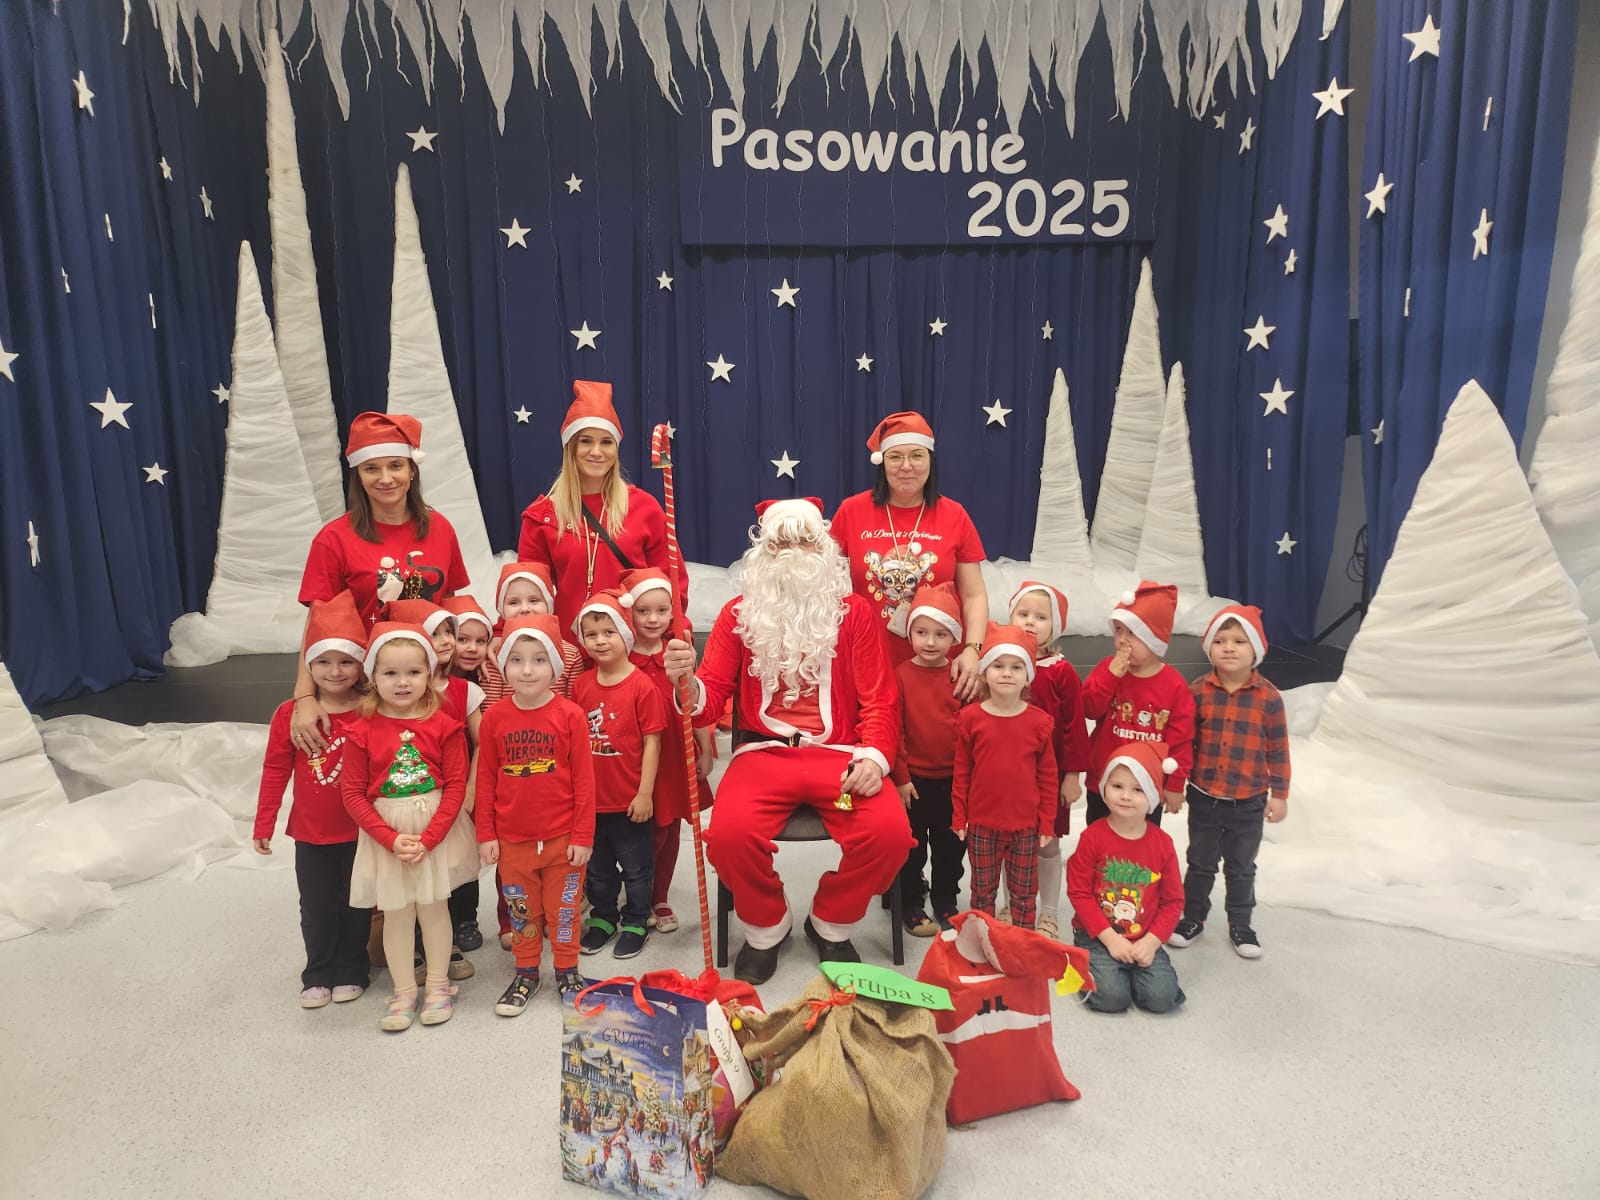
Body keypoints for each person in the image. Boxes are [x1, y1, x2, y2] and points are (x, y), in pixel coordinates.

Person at [663, 498, 911, 985]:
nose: (793, 552)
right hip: (763, 755)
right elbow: (708, 703)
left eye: (804, 541)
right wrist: (686, 683)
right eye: (781, 542)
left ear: (823, 550)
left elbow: (881, 700)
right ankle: (767, 926)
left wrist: (874, 760)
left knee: (890, 835)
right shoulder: (738, 615)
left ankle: (831, 921)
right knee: (728, 836)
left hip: (840, 756)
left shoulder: (855, 614)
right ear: (763, 553)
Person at [293, 412, 469, 757]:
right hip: (362, 690)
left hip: (427, 685)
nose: (385, 478)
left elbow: (449, 605)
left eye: (395, 466)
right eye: (371, 468)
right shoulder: (333, 539)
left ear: (412, 470)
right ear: (358, 475)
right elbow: (317, 624)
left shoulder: (441, 529)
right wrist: (304, 697)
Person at [341, 623, 475, 1032]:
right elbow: (352, 794)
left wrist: (430, 839)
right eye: (391, 673)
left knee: (434, 909)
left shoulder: (444, 725)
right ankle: (403, 991)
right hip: (387, 834)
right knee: (397, 914)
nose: (402, 682)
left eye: (413, 672)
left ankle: (437, 985)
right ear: (372, 676)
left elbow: (456, 786)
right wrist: (390, 839)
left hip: (434, 830)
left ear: (429, 674)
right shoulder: (362, 729)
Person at [252, 590, 370, 1008]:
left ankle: (353, 968)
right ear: (309, 665)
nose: (335, 672)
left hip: (362, 831)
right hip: (312, 833)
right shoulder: (291, 714)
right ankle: (318, 972)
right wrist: (263, 823)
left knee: (357, 904)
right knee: (317, 906)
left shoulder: (371, 710)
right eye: (323, 661)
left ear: (362, 663)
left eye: (346, 661)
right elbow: (275, 769)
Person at [476, 615, 595, 1011]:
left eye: (539, 660)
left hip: (563, 841)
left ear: (555, 666)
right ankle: (526, 972)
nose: (527, 670)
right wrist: (486, 834)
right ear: (503, 665)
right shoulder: (494, 718)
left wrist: (583, 836)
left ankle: (567, 970)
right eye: (517, 660)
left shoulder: (571, 716)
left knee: (564, 911)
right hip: (513, 843)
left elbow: (584, 782)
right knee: (522, 911)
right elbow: (486, 780)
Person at [829, 411, 989, 697]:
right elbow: (828, 589)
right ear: (882, 463)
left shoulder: (955, 515)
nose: (906, 466)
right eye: (895, 457)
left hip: (939, 665)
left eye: (917, 456)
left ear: (930, 461)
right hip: (866, 662)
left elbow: (973, 595)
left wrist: (972, 650)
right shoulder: (851, 511)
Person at [1169, 605, 1291, 960]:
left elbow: (1278, 749)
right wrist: (1175, 782)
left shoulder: (1269, 699)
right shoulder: (1197, 692)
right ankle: (1193, 917)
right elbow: (1184, 743)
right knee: (1200, 862)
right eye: (1220, 641)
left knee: (1241, 867)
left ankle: (1241, 923)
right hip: (1204, 796)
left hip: (1248, 801)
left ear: (1256, 649)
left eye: (1239, 641)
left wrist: (1280, 794)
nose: (1229, 648)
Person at [516, 380, 685, 634]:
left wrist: (677, 634)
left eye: (606, 442)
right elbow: (525, 593)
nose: (596, 452)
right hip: (569, 649)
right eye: (586, 441)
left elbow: (673, 585)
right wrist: (504, 633)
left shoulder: (644, 508)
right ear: (570, 447)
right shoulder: (542, 517)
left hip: (634, 647)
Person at [384, 598, 481, 981]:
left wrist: (470, 789)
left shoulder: (462, 690)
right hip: (402, 804)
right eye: (434, 633)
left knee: (452, 868)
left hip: (449, 797)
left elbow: (482, 743)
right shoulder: (395, 696)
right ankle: (414, 944)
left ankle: (456, 930)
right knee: (408, 872)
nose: (445, 641)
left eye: (448, 632)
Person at [618, 567, 714, 935]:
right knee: (639, 830)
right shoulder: (622, 657)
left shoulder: (679, 652)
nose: (653, 619)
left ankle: (659, 895)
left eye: (662, 610)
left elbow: (696, 704)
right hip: (636, 758)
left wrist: (705, 749)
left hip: (675, 753)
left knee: (669, 828)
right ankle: (636, 893)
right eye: (643, 611)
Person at [571, 591, 666, 960]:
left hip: (629, 801)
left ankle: (637, 920)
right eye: (591, 634)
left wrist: (645, 794)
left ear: (625, 634)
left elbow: (653, 743)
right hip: (590, 802)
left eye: (608, 632)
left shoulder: (642, 686)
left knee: (637, 869)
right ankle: (604, 917)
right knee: (597, 869)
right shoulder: (581, 686)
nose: (599, 641)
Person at [952, 624, 1059, 931]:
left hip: (1025, 826)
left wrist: (1047, 822)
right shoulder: (971, 719)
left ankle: (1020, 945)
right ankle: (983, 940)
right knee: (982, 891)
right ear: (984, 672)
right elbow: (962, 771)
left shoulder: (1039, 723)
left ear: (1028, 676)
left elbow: (1048, 777)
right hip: (981, 824)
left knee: (1024, 894)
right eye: (998, 665)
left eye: (1016, 667)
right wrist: (959, 815)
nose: (1007, 673)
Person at [1066, 741, 1186, 1014]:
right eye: (1117, 786)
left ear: (1153, 795)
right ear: (1104, 788)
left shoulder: (1162, 844)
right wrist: (1110, 939)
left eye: (1138, 789)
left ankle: (1129, 972)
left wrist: (1151, 942)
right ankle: (1088, 964)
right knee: (1111, 999)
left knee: (1161, 999)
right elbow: (1079, 893)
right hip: (1097, 934)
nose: (1125, 796)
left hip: (1144, 935)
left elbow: (1173, 902)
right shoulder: (1092, 837)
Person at [1004, 580, 1090, 938]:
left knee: (1047, 844)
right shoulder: (1003, 665)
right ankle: (1011, 905)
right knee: (1009, 843)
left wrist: (1072, 776)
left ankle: (1049, 912)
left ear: (1056, 626)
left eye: (1040, 617)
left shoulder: (1061, 672)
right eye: (1023, 614)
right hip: (1009, 777)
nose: (1030, 622)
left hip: (1049, 777)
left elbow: (1075, 727)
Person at [1080, 581, 1195, 827]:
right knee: (1099, 835)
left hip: (1147, 785)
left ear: (1154, 638)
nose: (1122, 640)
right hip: (1104, 781)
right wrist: (1110, 677)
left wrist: (1175, 784)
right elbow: (1089, 709)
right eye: (1118, 631)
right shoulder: (1107, 669)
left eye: (1132, 633)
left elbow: (1181, 741)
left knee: (1142, 839)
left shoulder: (1174, 685)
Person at [889, 583, 968, 934]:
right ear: (910, 633)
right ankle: (910, 902)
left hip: (954, 781)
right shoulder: (902, 676)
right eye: (921, 632)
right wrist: (902, 778)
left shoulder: (959, 676)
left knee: (951, 847)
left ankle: (946, 899)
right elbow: (896, 732)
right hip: (914, 783)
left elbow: (971, 732)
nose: (931, 642)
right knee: (912, 848)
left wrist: (968, 780)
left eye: (941, 634)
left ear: (954, 637)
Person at [494, 561, 585, 696]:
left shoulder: (571, 655)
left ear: (549, 604)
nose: (525, 609)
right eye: (514, 602)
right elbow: (491, 708)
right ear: (502, 608)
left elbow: (573, 703)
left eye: (534, 600)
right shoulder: (494, 655)